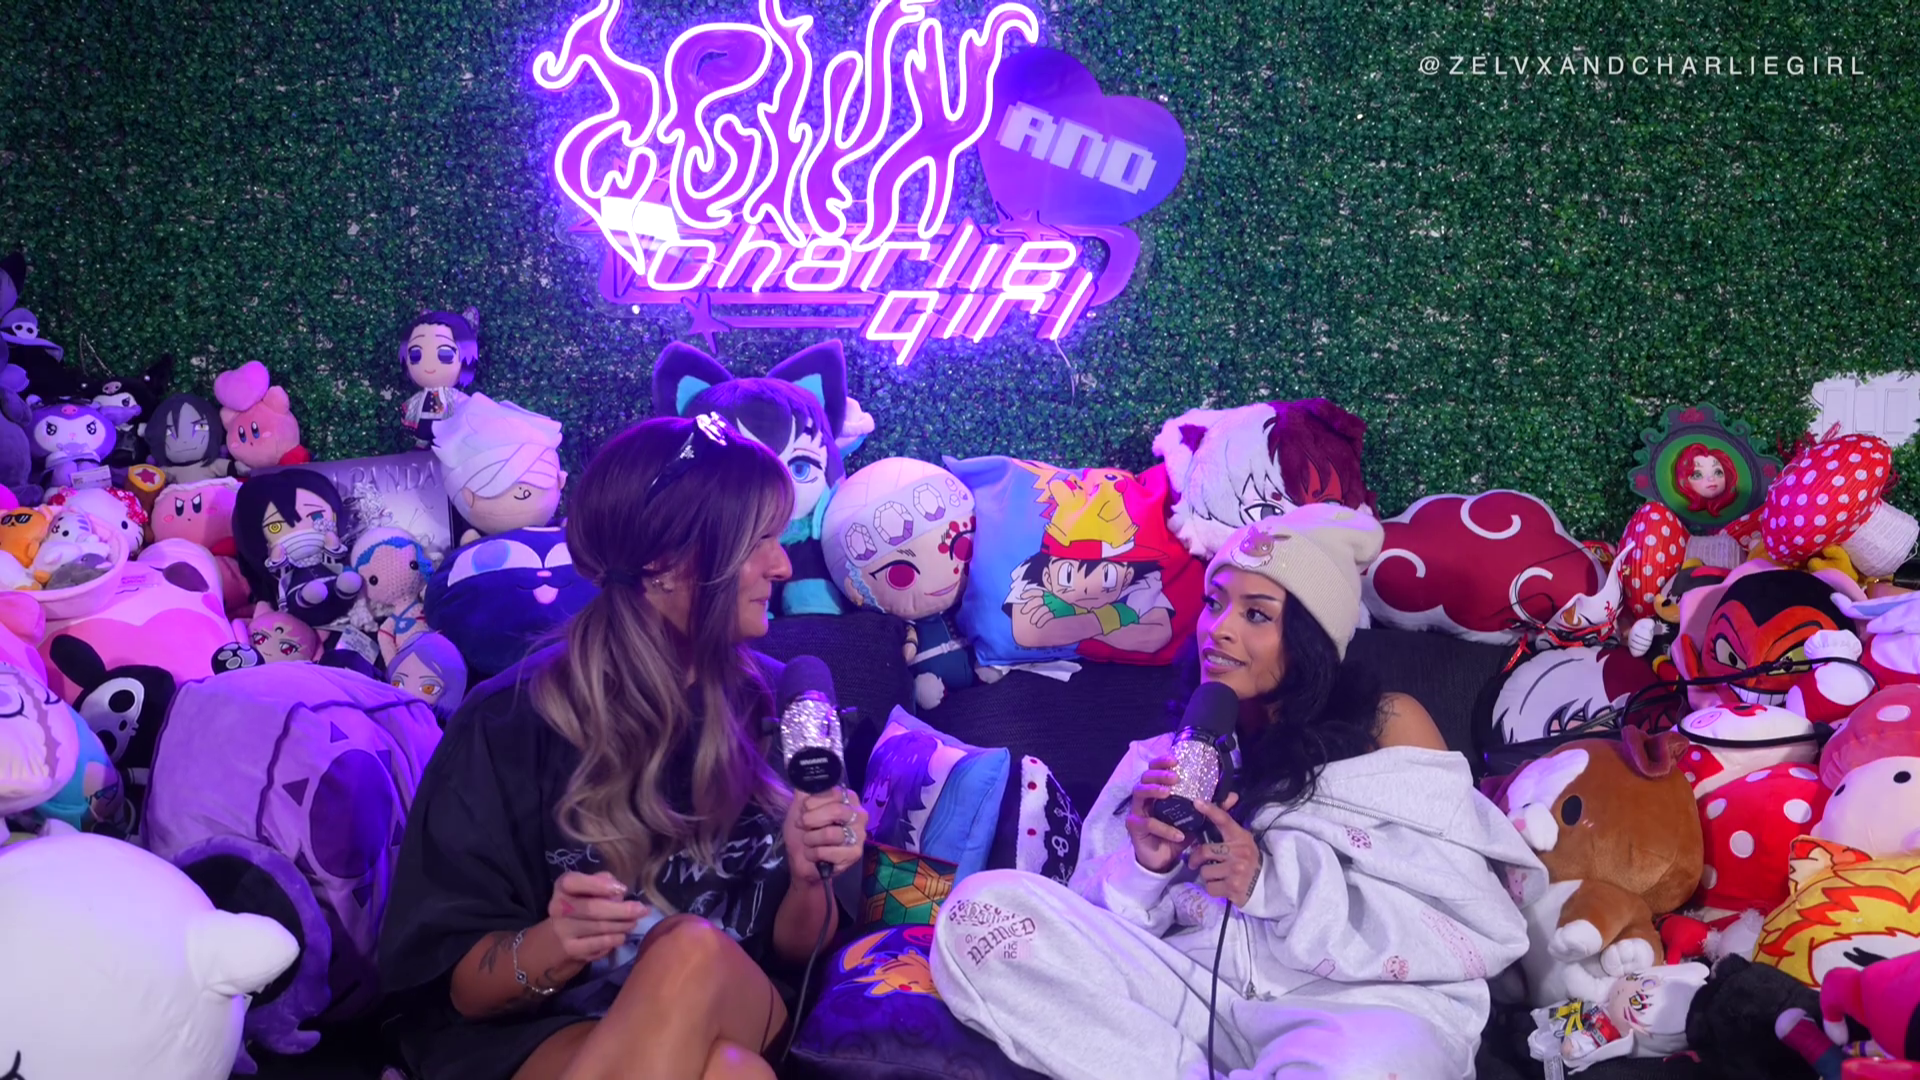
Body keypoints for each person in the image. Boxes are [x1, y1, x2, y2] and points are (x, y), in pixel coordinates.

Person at [930, 504, 1546, 1080]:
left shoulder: (1386, 723)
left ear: (1310, 638)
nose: (1218, 630)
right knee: (981, 914)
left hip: (1358, 1010)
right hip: (1197, 1001)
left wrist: (1271, 883)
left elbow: (1457, 905)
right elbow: (1098, 933)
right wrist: (1145, 866)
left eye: (1256, 614)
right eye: (1213, 602)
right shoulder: (1162, 758)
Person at [379, 412, 870, 1080]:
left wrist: (810, 879)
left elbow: (800, 956)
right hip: (550, 1028)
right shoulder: (510, 722)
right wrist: (559, 942)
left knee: (691, 953)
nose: (782, 564)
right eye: (758, 540)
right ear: (666, 563)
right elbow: (463, 991)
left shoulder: (787, 708)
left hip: (742, 1001)